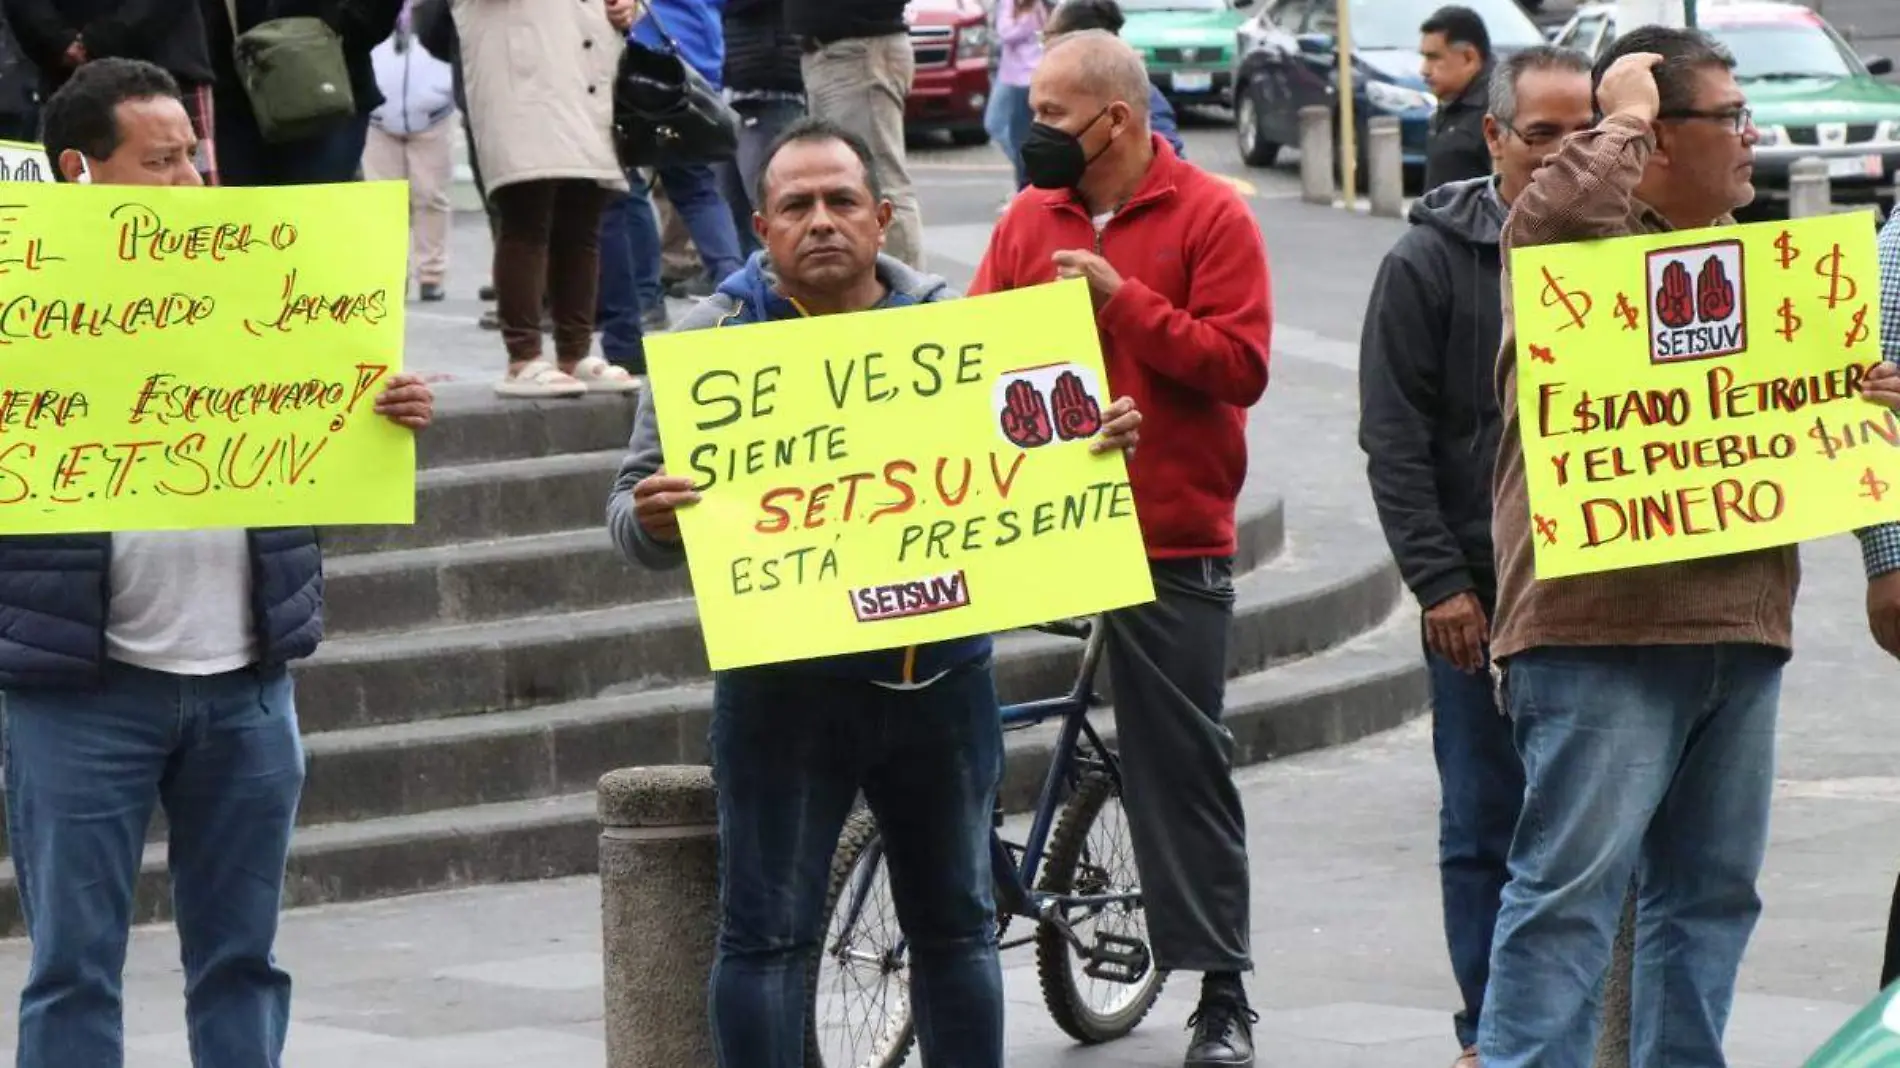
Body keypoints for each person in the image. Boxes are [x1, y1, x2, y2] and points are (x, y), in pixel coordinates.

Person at [605, 116, 1141, 1068]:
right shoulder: (707, 349)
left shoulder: (958, 331)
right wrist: (648, 520)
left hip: (940, 685)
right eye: (797, 205)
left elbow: (1033, 462)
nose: (822, 221)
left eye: (842, 201)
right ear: (762, 226)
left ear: (883, 217)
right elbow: (627, 518)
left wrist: (1089, 445)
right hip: (782, 695)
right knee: (764, 937)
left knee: (958, 930)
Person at [1, 57, 436, 1068]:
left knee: (243, 959)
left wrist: (380, 417)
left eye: (195, 157)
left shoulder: (268, 279)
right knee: (73, 966)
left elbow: (323, 435)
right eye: (161, 163)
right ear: (81, 171)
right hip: (81, 692)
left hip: (248, 684)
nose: (193, 182)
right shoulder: (26, 304)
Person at [1480, 28, 1900, 1068]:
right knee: (1567, 903)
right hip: (1595, 639)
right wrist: (1617, 110)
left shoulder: (1771, 279)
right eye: (1729, 117)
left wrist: (1869, 410)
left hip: (1738, 632)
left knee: (1708, 902)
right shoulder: (1571, 254)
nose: (1752, 136)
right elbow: (1555, 208)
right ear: (1658, 142)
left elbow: (1799, 429)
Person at [970, 30, 1270, 1068]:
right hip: (1037, 521)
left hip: (1167, 533)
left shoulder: (1212, 215)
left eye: (1052, 113)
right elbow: (973, 358)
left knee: (1180, 762)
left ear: (1117, 120)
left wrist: (1121, 301)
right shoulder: (1024, 218)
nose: (1032, 127)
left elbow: (1239, 367)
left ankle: (1222, 991)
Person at [1357, 44, 1593, 1068]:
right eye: (1542, 135)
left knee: (1587, 829)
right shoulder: (1425, 264)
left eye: (1587, 134)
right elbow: (1393, 438)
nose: (1565, 156)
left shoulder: (1634, 249)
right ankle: (1486, 1030)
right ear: (1493, 136)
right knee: (1485, 822)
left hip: (1606, 595)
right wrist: (1439, 585)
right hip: (1483, 603)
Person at [456, 0, 637, 398]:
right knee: (527, 211)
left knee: (583, 219)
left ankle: (576, 351)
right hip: (522, 72)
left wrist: (630, 6)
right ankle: (523, 357)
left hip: (587, 72)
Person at [202, 0, 406, 186]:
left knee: (316, 216)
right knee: (240, 216)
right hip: (228, 93)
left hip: (327, 86)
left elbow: (376, 12)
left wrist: (343, 30)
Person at [789, 0, 922, 267]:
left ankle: (907, 299)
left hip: (858, 49)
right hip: (833, 52)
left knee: (881, 185)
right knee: (849, 182)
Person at [2, 0, 212, 163]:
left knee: (191, 195)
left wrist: (97, 41)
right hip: (66, 74)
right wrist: (56, 40)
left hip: (167, 61)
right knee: (72, 198)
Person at [364, 0, 457, 303]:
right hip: (379, 117)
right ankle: (390, 272)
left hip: (433, 114)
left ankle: (431, 274)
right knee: (383, 201)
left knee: (430, 195)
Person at [1042, 0, 1184, 159]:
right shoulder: (1059, 92)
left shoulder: (1139, 98)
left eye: (1047, 35)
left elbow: (1168, 162)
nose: (1044, 45)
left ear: (1075, 40)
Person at [718, 0, 806, 254]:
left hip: (770, 89)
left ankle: (791, 281)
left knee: (774, 202)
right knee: (732, 205)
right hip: (731, 90)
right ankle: (753, 284)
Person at [1420, 5, 1492, 192]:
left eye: (1434, 58)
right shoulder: (1454, 102)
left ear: (1469, 58)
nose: (1424, 70)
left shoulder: (1500, 111)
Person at [985, 0, 1047, 190]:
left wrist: (1023, 18)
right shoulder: (1007, 3)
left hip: (1027, 77)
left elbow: (1007, 33)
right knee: (994, 124)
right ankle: (1032, 170)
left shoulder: (1037, 8)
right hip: (1008, 74)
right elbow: (1003, 30)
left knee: (1021, 135)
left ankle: (1031, 176)